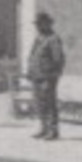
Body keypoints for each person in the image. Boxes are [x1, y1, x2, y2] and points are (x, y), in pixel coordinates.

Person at [26, 11, 65, 140]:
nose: (37, 27)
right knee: (39, 103)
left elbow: (58, 59)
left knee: (49, 103)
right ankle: (44, 128)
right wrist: (30, 71)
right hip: (37, 76)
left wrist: (53, 74)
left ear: (47, 24)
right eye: (37, 24)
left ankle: (53, 131)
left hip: (47, 77)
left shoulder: (53, 39)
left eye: (40, 24)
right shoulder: (39, 39)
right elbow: (33, 56)